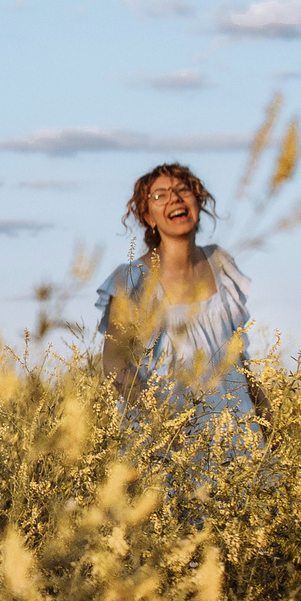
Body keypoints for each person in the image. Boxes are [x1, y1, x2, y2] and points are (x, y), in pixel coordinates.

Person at [96, 161, 264, 450]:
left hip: (237, 431)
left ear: (198, 202)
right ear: (148, 216)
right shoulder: (132, 280)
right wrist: (161, 425)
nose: (174, 198)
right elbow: (115, 364)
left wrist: (266, 418)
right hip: (167, 436)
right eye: (160, 195)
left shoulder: (220, 265)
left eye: (182, 190)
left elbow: (240, 357)